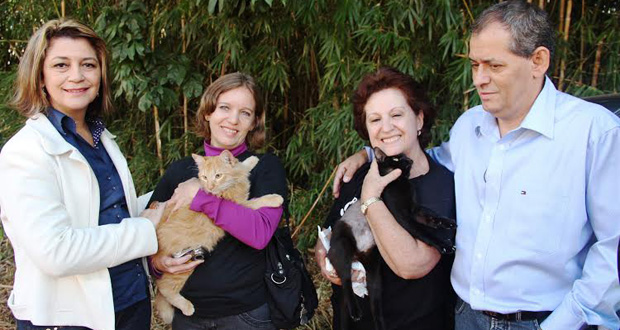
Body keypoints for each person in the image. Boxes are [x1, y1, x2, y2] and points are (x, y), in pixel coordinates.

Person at [333, 1, 620, 329]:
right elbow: (429, 159)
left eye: (494, 66)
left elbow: (613, 251)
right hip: (465, 316)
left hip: (546, 320)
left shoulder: (593, 134)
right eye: (474, 65)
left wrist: (564, 323)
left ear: (538, 61)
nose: (479, 79)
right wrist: (368, 154)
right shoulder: (470, 126)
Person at [0, 19, 164, 330]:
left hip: (129, 304)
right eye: (62, 65)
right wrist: (147, 230)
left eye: (88, 64)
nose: (77, 76)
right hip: (68, 319)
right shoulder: (24, 152)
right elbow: (57, 251)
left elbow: (111, 215)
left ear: (100, 75)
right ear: (39, 77)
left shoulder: (101, 137)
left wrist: (169, 198)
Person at [315, 67, 456, 330]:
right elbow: (327, 234)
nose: (386, 127)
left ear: (419, 119)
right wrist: (327, 261)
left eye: (397, 115)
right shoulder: (358, 174)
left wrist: (370, 200)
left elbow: (413, 265)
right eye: (375, 119)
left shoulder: (440, 185)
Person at [148, 72, 287, 330]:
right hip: (188, 317)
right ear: (208, 112)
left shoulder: (266, 167)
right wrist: (157, 264)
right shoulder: (180, 171)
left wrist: (200, 197)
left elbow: (259, 234)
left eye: (245, 113)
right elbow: (146, 229)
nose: (233, 120)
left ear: (254, 122)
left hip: (246, 315)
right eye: (225, 108)